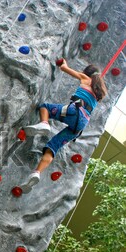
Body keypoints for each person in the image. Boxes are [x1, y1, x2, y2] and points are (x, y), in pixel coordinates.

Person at [21, 59, 107, 193]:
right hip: (80, 125)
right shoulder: (97, 94)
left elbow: (65, 69)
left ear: (87, 73)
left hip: (75, 110)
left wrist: (64, 64)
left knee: (45, 108)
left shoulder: (85, 78)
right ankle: (37, 172)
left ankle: (44, 123)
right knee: (52, 147)